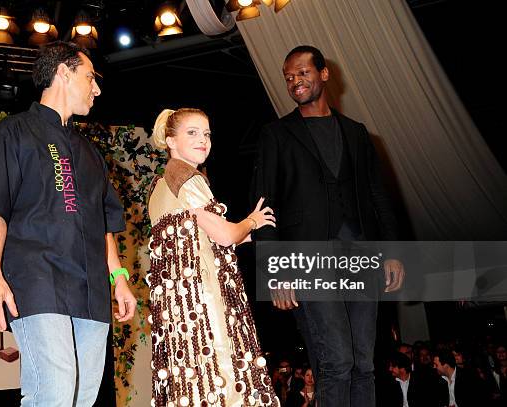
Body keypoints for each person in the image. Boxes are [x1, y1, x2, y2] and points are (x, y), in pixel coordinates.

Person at [0, 41, 136, 406]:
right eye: (91, 77)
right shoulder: (11, 134)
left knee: (82, 396)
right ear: (63, 71)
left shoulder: (91, 152)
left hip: (91, 291)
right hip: (38, 280)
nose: (97, 88)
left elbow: (104, 220)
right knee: (55, 391)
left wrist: (118, 278)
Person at [252, 45, 405, 407]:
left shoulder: (356, 132)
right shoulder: (276, 135)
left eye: (303, 73)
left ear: (324, 74)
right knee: (337, 360)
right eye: (289, 77)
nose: (295, 81)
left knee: (365, 363)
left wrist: (395, 254)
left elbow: (378, 197)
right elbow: (263, 207)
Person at [147, 108, 280, 406]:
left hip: (178, 308)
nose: (203, 140)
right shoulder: (187, 177)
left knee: (192, 383)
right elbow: (225, 235)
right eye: (192, 133)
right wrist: (253, 220)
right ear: (170, 141)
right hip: (203, 298)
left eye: (206, 133)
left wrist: (244, 232)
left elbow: (211, 235)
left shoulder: (157, 187)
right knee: (225, 375)